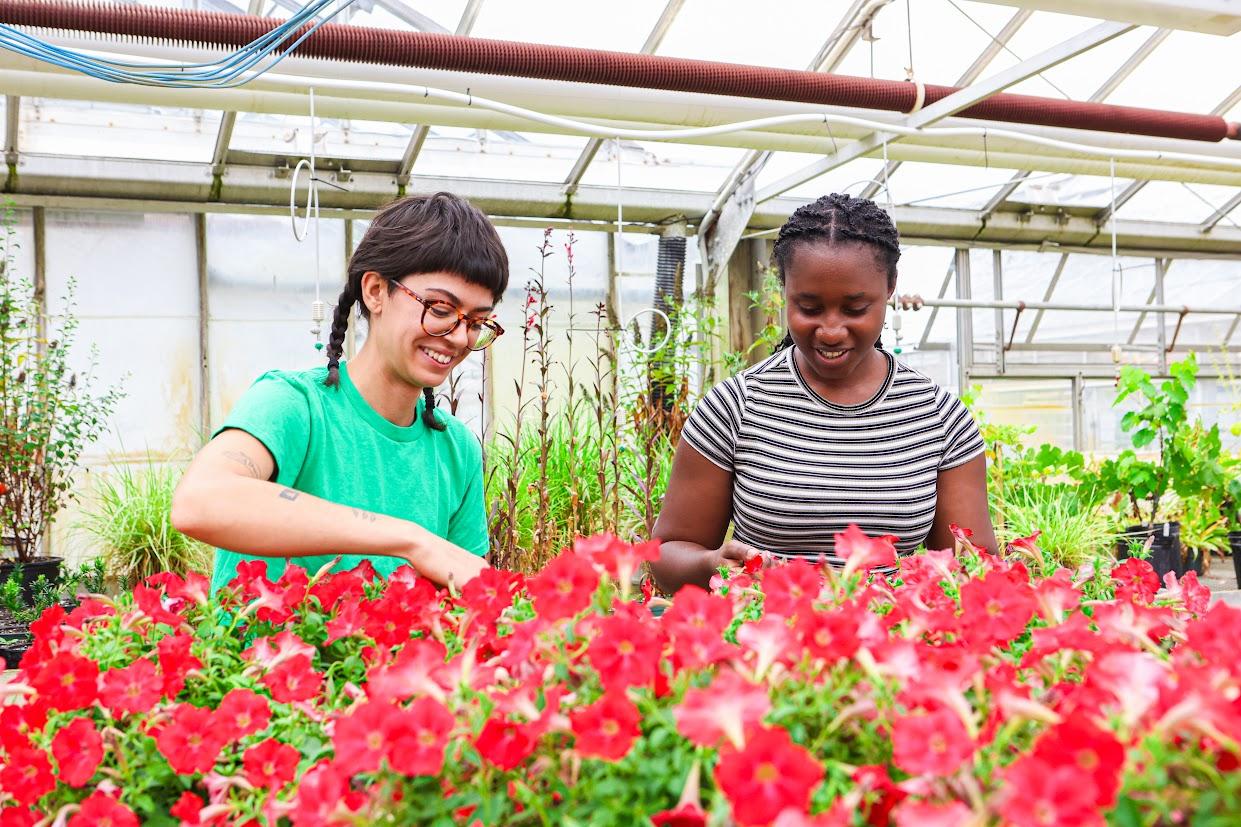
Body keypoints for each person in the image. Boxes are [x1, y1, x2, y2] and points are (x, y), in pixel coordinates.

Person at [650, 193, 996, 593]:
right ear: (784, 290)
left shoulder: (938, 416)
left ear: (890, 288)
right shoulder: (735, 407)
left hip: (890, 646)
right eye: (809, 308)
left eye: (855, 309)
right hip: (769, 642)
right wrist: (712, 563)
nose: (831, 330)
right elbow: (666, 555)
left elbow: (975, 566)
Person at [172, 192, 508, 594]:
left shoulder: (456, 450)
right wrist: (408, 539)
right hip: (265, 657)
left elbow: (469, 599)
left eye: (476, 321)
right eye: (439, 309)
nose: (458, 336)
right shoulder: (294, 406)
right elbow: (202, 502)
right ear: (375, 291)